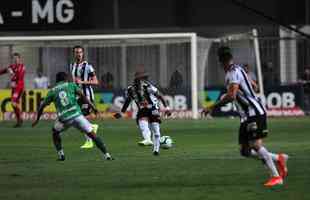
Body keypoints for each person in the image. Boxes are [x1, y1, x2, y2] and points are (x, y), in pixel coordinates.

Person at [202, 46, 288, 187]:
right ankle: (278, 158)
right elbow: (255, 87)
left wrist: (211, 107)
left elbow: (231, 96)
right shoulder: (239, 69)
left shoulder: (232, 73)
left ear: (220, 61)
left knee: (255, 144)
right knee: (245, 151)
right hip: (246, 116)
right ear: (230, 58)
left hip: (253, 113)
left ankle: (276, 177)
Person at [32, 72, 113, 161]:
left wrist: (37, 119)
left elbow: (42, 106)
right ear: (65, 79)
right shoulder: (71, 85)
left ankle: (61, 154)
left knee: (55, 132)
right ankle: (107, 155)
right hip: (77, 115)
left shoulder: (52, 91)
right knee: (92, 135)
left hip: (64, 119)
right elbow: (83, 96)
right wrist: (93, 107)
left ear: (57, 80)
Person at [114, 71, 171, 156]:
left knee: (156, 130)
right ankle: (147, 139)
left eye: (142, 78)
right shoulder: (130, 89)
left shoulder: (148, 87)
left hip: (153, 108)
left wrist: (167, 108)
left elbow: (160, 96)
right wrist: (122, 112)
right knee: (142, 121)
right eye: (140, 78)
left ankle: (156, 149)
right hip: (142, 110)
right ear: (136, 79)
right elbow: (128, 101)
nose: (141, 80)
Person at [69, 46, 99, 149]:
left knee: (82, 118)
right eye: (77, 52)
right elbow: (74, 81)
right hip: (77, 96)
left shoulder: (88, 67)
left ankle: (89, 141)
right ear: (74, 54)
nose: (79, 54)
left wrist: (82, 82)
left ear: (83, 53)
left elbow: (95, 81)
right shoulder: (72, 66)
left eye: (80, 52)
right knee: (75, 119)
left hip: (87, 95)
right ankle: (92, 127)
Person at [0, 53, 25, 127]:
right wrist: (8, 70)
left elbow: (19, 76)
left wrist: (12, 72)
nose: (15, 59)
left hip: (19, 87)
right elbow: (3, 71)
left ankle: (20, 118)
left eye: (16, 58)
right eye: (14, 58)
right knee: (14, 104)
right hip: (14, 88)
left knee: (13, 103)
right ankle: (19, 121)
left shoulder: (22, 66)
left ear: (19, 58)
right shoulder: (12, 66)